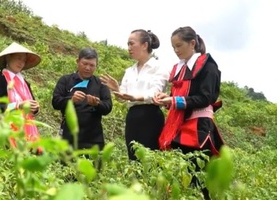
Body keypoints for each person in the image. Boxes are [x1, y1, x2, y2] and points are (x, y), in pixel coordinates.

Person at [153, 26, 225, 200]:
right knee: (181, 173)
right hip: (180, 125)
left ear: (192, 43)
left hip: (198, 127)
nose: (176, 50)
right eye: (173, 47)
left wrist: (175, 101)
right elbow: (179, 97)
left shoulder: (207, 66)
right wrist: (167, 99)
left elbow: (205, 97)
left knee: (197, 177)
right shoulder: (181, 68)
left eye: (179, 46)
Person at [100, 29, 169, 160]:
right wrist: (117, 90)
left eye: (132, 44)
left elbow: (156, 92)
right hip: (132, 117)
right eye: (128, 44)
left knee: (151, 158)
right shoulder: (129, 71)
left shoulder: (159, 67)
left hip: (151, 116)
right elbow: (123, 98)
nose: (129, 48)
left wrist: (134, 97)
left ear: (144, 45)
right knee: (133, 157)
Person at [52, 47, 113, 151]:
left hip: (94, 139)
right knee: (67, 165)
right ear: (77, 61)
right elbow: (55, 102)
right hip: (69, 136)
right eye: (85, 64)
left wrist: (97, 104)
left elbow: (108, 107)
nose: (88, 68)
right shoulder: (65, 80)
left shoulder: (101, 84)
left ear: (96, 66)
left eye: (92, 65)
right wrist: (71, 100)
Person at [0, 42, 42, 154]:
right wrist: (18, 105)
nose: (21, 63)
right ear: (8, 58)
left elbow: (31, 103)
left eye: (24, 60)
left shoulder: (25, 83)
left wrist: (35, 108)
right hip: (4, 131)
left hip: (26, 132)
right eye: (18, 58)